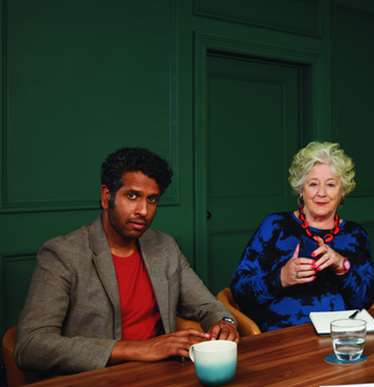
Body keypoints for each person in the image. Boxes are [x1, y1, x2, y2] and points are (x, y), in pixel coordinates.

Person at [15, 148, 239, 375]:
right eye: (132, 196)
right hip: (93, 384)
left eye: (152, 200)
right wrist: (138, 349)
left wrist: (225, 322)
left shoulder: (165, 247)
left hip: (162, 379)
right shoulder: (63, 254)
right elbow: (31, 345)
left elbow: (209, 306)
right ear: (106, 197)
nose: (143, 210)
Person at [231, 141, 374, 331]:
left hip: (340, 335)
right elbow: (240, 291)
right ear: (301, 189)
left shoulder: (355, 235)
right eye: (313, 184)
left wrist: (342, 267)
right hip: (284, 336)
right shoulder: (275, 226)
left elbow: (365, 300)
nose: (321, 193)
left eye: (331, 184)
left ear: (343, 191)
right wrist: (281, 277)